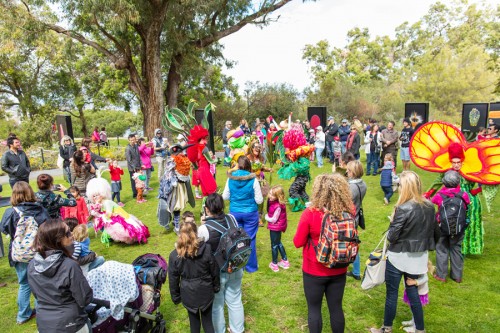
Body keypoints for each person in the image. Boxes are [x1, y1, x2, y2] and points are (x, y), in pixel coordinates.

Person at [370, 171, 440, 333]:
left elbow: (392, 236)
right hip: (418, 258)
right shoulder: (429, 206)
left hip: (399, 257)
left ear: (406, 187)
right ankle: (420, 329)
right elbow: (436, 233)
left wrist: (393, 221)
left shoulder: (403, 208)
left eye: (400, 185)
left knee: (392, 294)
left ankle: (386, 328)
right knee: (413, 290)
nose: (398, 188)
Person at [293, 174, 352, 333]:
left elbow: (297, 242)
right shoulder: (348, 212)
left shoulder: (310, 213)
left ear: (318, 191)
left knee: (314, 309)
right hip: (339, 267)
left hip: (314, 269)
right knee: (336, 308)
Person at [27, 219, 93, 332]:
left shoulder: (32, 265)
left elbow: (38, 295)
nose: (72, 235)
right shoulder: (69, 266)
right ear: (58, 241)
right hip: (71, 324)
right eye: (68, 233)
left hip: (45, 324)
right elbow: (84, 299)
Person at [0, 181, 49, 325]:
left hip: (19, 254)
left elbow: (4, 229)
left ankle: (23, 315)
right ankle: (42, 312)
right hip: (37, 252)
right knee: (40, 283)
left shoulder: (10, 212)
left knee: (24, 284)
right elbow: (47, 228)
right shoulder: (39, 209)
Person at [198, 193, 245, 333]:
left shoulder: (204, 229)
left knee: (217, 305)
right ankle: (238, 329)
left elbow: (196, 249)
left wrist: (202, 224)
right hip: (235, 266)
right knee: (235, 300)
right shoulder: (232, 219)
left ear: (207, 209)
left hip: (216, 272)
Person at [168, 221, 220, 333]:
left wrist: (176, 296)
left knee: (194, 325)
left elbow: (173, 279)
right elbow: (215, 270)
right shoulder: (206, 249)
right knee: (208, 323)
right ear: (196, 233)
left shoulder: (174, 255)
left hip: (189, 294)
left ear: (179, 234)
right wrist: (216, 287)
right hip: (205, 291)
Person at [222, 156, 263, 272]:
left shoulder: (231, 179)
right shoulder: (253, 180)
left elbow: (225, 196)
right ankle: (250, 267)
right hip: (250, 213)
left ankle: (237, 264)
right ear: (249, 166)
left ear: (237, 166)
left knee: (236, 239)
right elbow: (259, 200)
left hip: (235, 212)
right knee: (250, 239)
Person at [431, 170, 470, 283]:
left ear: (444, 182)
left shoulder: (439, 195)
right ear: (458, 182)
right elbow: (467, 205)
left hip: (442, 226)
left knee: (441, 249)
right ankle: (457, 276)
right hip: (459, 227)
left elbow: (433, 202)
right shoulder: (464, 195)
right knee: (456, 248)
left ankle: (441, 275)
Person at [87, 178, 150, 244]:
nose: (96, 197)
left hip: (121, 217)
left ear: (102, 194)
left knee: (121, 229)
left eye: (97, 195)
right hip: (114, 217)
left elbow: (109, 214)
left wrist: (99, 215)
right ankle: (110, 237)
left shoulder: (106, 202)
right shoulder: (100, 204)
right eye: (94, 196)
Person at [345, 160, 367, 280]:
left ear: (353, 172)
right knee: (353, 243)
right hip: (356, 217)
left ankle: (356, 270)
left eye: (348, 170)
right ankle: (356, 271)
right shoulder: (363, 184)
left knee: (351, 244)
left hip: (349, 219)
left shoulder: (351, 188)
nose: (346, 172)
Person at [265, 185, 289, 272]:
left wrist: (266, 217)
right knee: (278, 243)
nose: (270, 196)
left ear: (278, 196)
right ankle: (285, 261)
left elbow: (273, 219)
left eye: (272, 195)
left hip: (275, 228)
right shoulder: (275, 203)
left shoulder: (278, 206)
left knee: (274, 245)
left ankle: (274, 264)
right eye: (270, 193)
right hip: (277, 227)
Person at [125, 133, 142, 199]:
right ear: (129, 140)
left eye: (134, 140)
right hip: (132, 168)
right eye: (131, 140)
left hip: (138, 166)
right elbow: (129, 160)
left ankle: (139, 192)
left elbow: (139, 156)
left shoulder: (136, 146)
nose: (133, 141)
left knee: (139, 180)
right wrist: (134, 167)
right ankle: (135, 193)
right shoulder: (128, 148)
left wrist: (141, 164)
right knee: (133, 181)